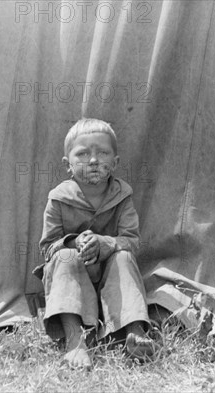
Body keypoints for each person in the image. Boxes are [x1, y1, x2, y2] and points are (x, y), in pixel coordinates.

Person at [37, 118, 155, 369]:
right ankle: (75, 340)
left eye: (103, 153)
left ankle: (134, 331)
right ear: (67, 165)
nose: (93, 160)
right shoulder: (58, 199)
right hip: (72, 279)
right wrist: (73, 242)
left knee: (123, 256)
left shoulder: (123, 196)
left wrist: (107, 243)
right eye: (82, 154)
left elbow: (132, 241)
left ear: (115, 162)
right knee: (64, 257)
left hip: (109, 277)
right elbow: (47, 247)